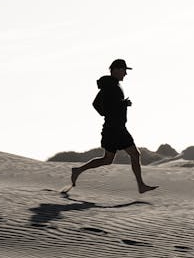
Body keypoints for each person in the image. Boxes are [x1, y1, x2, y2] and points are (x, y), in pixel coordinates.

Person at [66, 59, 158, 194]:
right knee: (134, 154)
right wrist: (121, 105)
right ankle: (141, 186)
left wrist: (111, 111)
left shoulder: (110, 85)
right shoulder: (111, 86)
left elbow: (97, 104)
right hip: (115, 128)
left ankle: (78, 170)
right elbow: (108, 105)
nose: (126, 73)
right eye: (124, 70)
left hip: (113, 127)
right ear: (116, 70)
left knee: (108, 159)